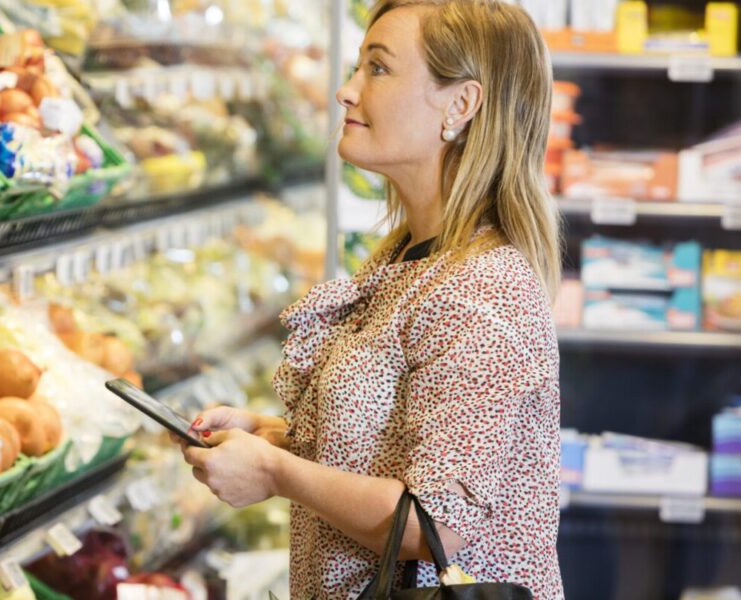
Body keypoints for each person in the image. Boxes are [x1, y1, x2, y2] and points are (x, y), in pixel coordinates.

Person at [172, 0, 563, 598]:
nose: (345, 92)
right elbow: (393, 444)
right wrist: (274, 436)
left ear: (460, 105)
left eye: (377, 69)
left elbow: (431, 522)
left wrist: (276, 473)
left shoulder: (485, 290)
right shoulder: (408, 256)